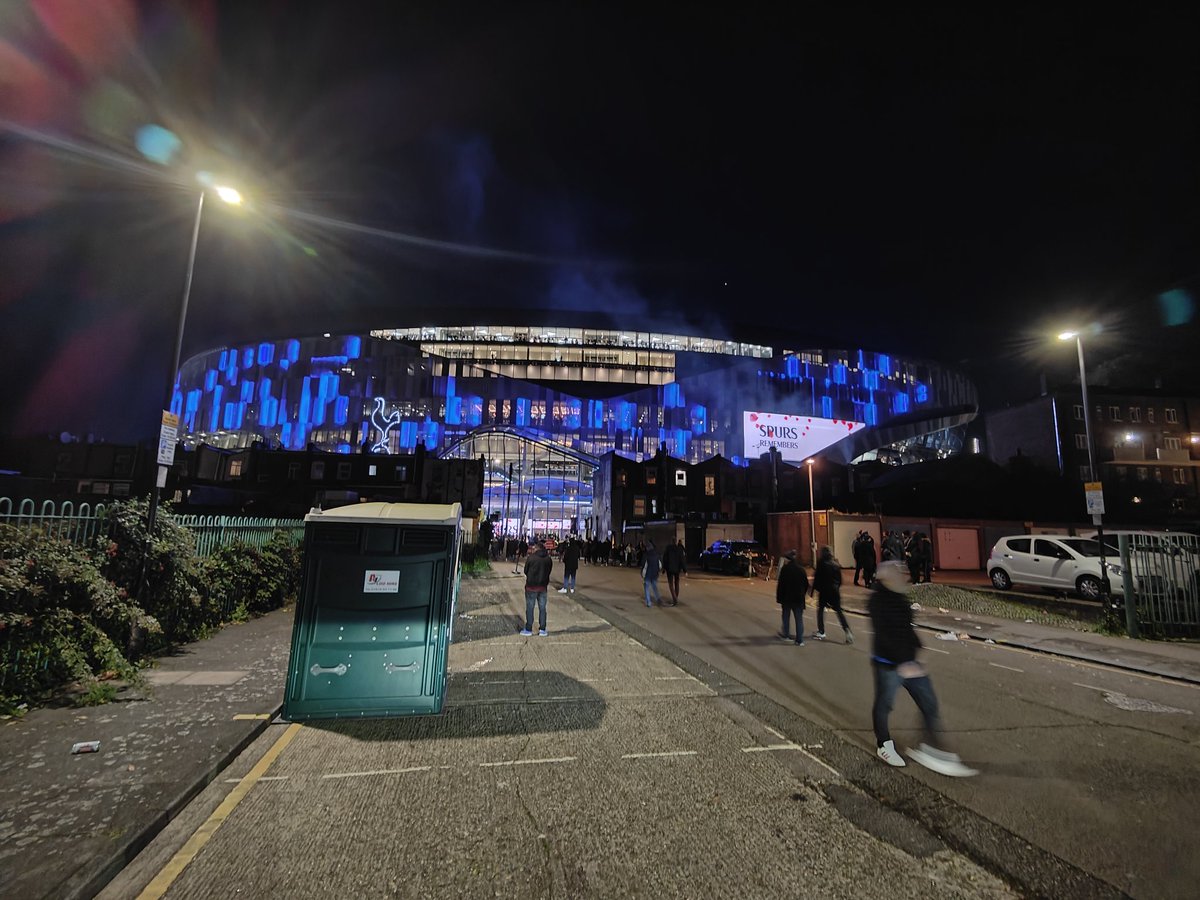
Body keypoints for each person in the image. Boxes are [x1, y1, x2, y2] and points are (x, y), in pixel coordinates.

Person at [868, 561, 977, 776]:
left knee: (929, 703)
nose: (904, 578)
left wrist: (916, 649)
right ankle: (884, 745)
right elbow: (884, 634)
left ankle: (931, 748)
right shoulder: (878, 601)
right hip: (888, 664)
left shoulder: (900, 597)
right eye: (899, 575)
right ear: (886, 578)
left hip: (909, 663)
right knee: (884, 704)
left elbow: (906, 628)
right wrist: (903, 662)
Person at [809, 545, 853, 643]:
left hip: (824, 591)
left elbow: (817, 578)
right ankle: (847, 631)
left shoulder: (821, 563)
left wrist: (813, 590)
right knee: (839, 611)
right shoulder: (836, 564)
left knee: (820, 610)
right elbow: (840, 580)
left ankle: (821, 631)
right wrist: (836, 587)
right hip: (835, 592)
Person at [775, 549, 809, 644]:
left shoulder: (785, 570)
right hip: (798, 598)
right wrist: (803, 594)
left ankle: (786, 635)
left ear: (788, 560)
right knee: (799, 619)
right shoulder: (801, 570)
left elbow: (781, 585)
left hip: (787, 598)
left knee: (786, 616)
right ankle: (799, 640)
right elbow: (806, 584)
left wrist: (779, 597)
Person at [521, 539, 553, 636]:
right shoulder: (548, 559)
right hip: (543, 587)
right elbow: (549, 571)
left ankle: (528, 629)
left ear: (537, 549)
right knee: (542, 608)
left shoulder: (531, 558)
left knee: (530, 608)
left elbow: (526, 570)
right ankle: (542, 629)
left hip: (531, 586)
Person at [661, 537, 687, 606]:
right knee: (676, 583)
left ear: (671, 541)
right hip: (677, 569)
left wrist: (663, 568)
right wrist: (685, 570)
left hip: (669, 569)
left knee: (671, 584)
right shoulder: (679, 549)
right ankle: (675, 598)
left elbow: (665, 559)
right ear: (676, 542)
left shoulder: (668, 548)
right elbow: (682, 560)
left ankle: (675, 599)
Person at [641, 538, 662, 607]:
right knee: (654, 586)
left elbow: (645, 567)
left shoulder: (646, 556)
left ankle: (649, 602)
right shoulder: (656, 555)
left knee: (646, 588)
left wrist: (643, 575)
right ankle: (658, 598)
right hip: (654, 574)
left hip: (648, 574)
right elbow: (660, 565)